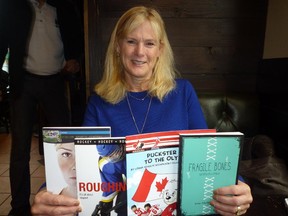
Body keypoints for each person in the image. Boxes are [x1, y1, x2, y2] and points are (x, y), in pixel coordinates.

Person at [31, 6, 253, 216]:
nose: (139, 52)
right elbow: (81, 159)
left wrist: (237, 184)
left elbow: (206, 155)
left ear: (160, 50)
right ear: (118, 46)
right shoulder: (99, 102)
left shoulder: (183, 92)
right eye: (131, 41)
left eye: (149, 43)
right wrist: (47, 191)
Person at [0, 0, 82, 215]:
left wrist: (76, 60)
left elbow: (76, 39)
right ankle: (18, 207)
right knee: (20, 150)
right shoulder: (13, 6)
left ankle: (66, 201)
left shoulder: (62, 7)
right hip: (23, 84)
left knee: (64, 146)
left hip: (56, 82)